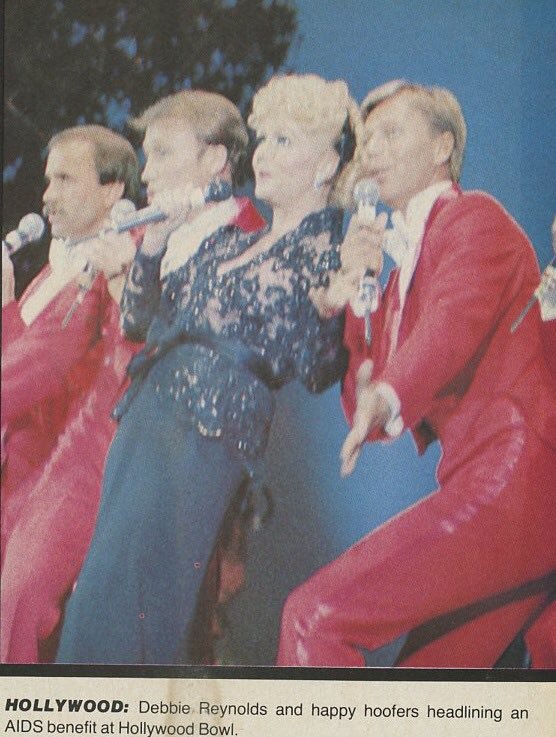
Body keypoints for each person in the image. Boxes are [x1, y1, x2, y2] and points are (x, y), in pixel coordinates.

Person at [57, 74, 359, 665]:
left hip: (204, 441)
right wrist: (153, 243)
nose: (263, 154)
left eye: (284, 141)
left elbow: (319, 367)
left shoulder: (328, 254)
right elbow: (140, 320)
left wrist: (338, 301)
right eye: (264, 138)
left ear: (326, 164)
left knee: (144, 608)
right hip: (145, 422)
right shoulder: (229, 243)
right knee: (101, 597)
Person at [277, 81, 556, 667]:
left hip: (518, 476)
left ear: (441, 148)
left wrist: (389, 392)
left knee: (313, 617)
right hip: (493, 490)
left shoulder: (473, 218)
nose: (372, 150)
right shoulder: (397, 276)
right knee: (424, 686)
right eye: (367, 139)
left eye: (391, 132)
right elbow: (367, 406)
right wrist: (360, 295)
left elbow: (454, 320)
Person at [1, 125, 141, 663]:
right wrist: (8, 304)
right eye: (47, 180)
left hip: (63, 479)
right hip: (17, 477)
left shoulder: (110, 267)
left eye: (64, 179)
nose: (47, 195)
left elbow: (45, 363)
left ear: (112, 191)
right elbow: (23, 362)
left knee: (19, 617)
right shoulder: (50, 272)